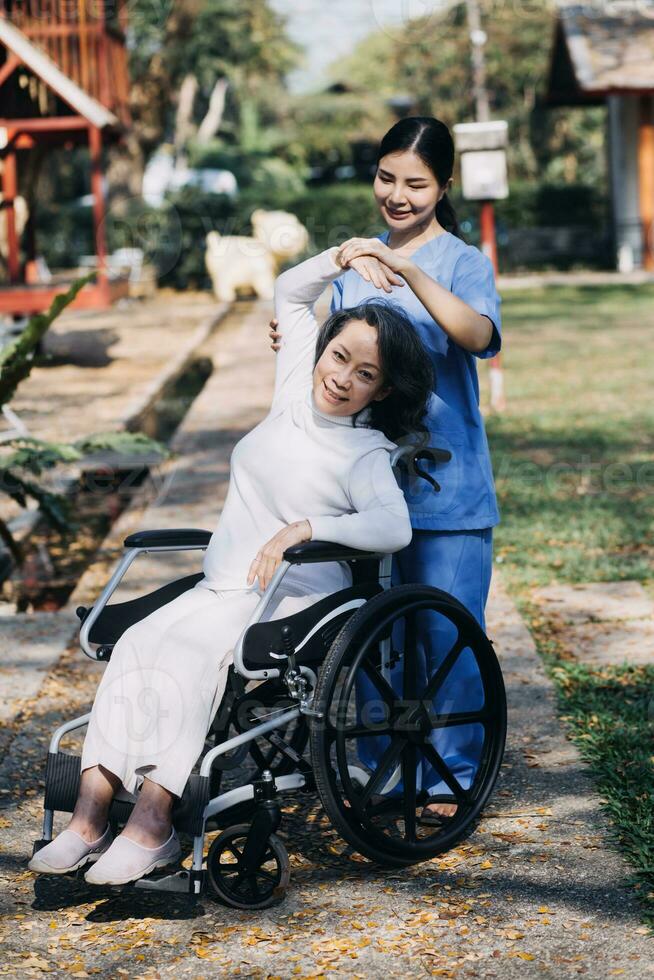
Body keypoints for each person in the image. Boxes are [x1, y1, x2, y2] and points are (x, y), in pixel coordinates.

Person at [28, 245, 433, 886]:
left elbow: (392, 528)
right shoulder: (292, 395)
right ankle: (89, 815)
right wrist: (346, 256)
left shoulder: (364, 453)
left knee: (189, 652)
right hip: (224, 585)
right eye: (339, 356)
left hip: (294, 596)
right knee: (138, 641)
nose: (342, 376)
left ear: (382, 389)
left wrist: (306, 527)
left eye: (366, 373)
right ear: (322, 351)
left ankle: (154, 823)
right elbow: (291, 290)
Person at [269, 116, 502, 821]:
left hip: (446, 488)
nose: (397, 195)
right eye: (386, 178)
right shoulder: (352, 265)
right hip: (361, 485)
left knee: (443, 637)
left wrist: (405, 267)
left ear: (444, 187)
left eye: (416, 183)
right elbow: (336, 360)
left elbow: (478, 335)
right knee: (369, 638)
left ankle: (447, 776)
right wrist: (296, 334)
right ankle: (381, 767)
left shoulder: (463, 262)